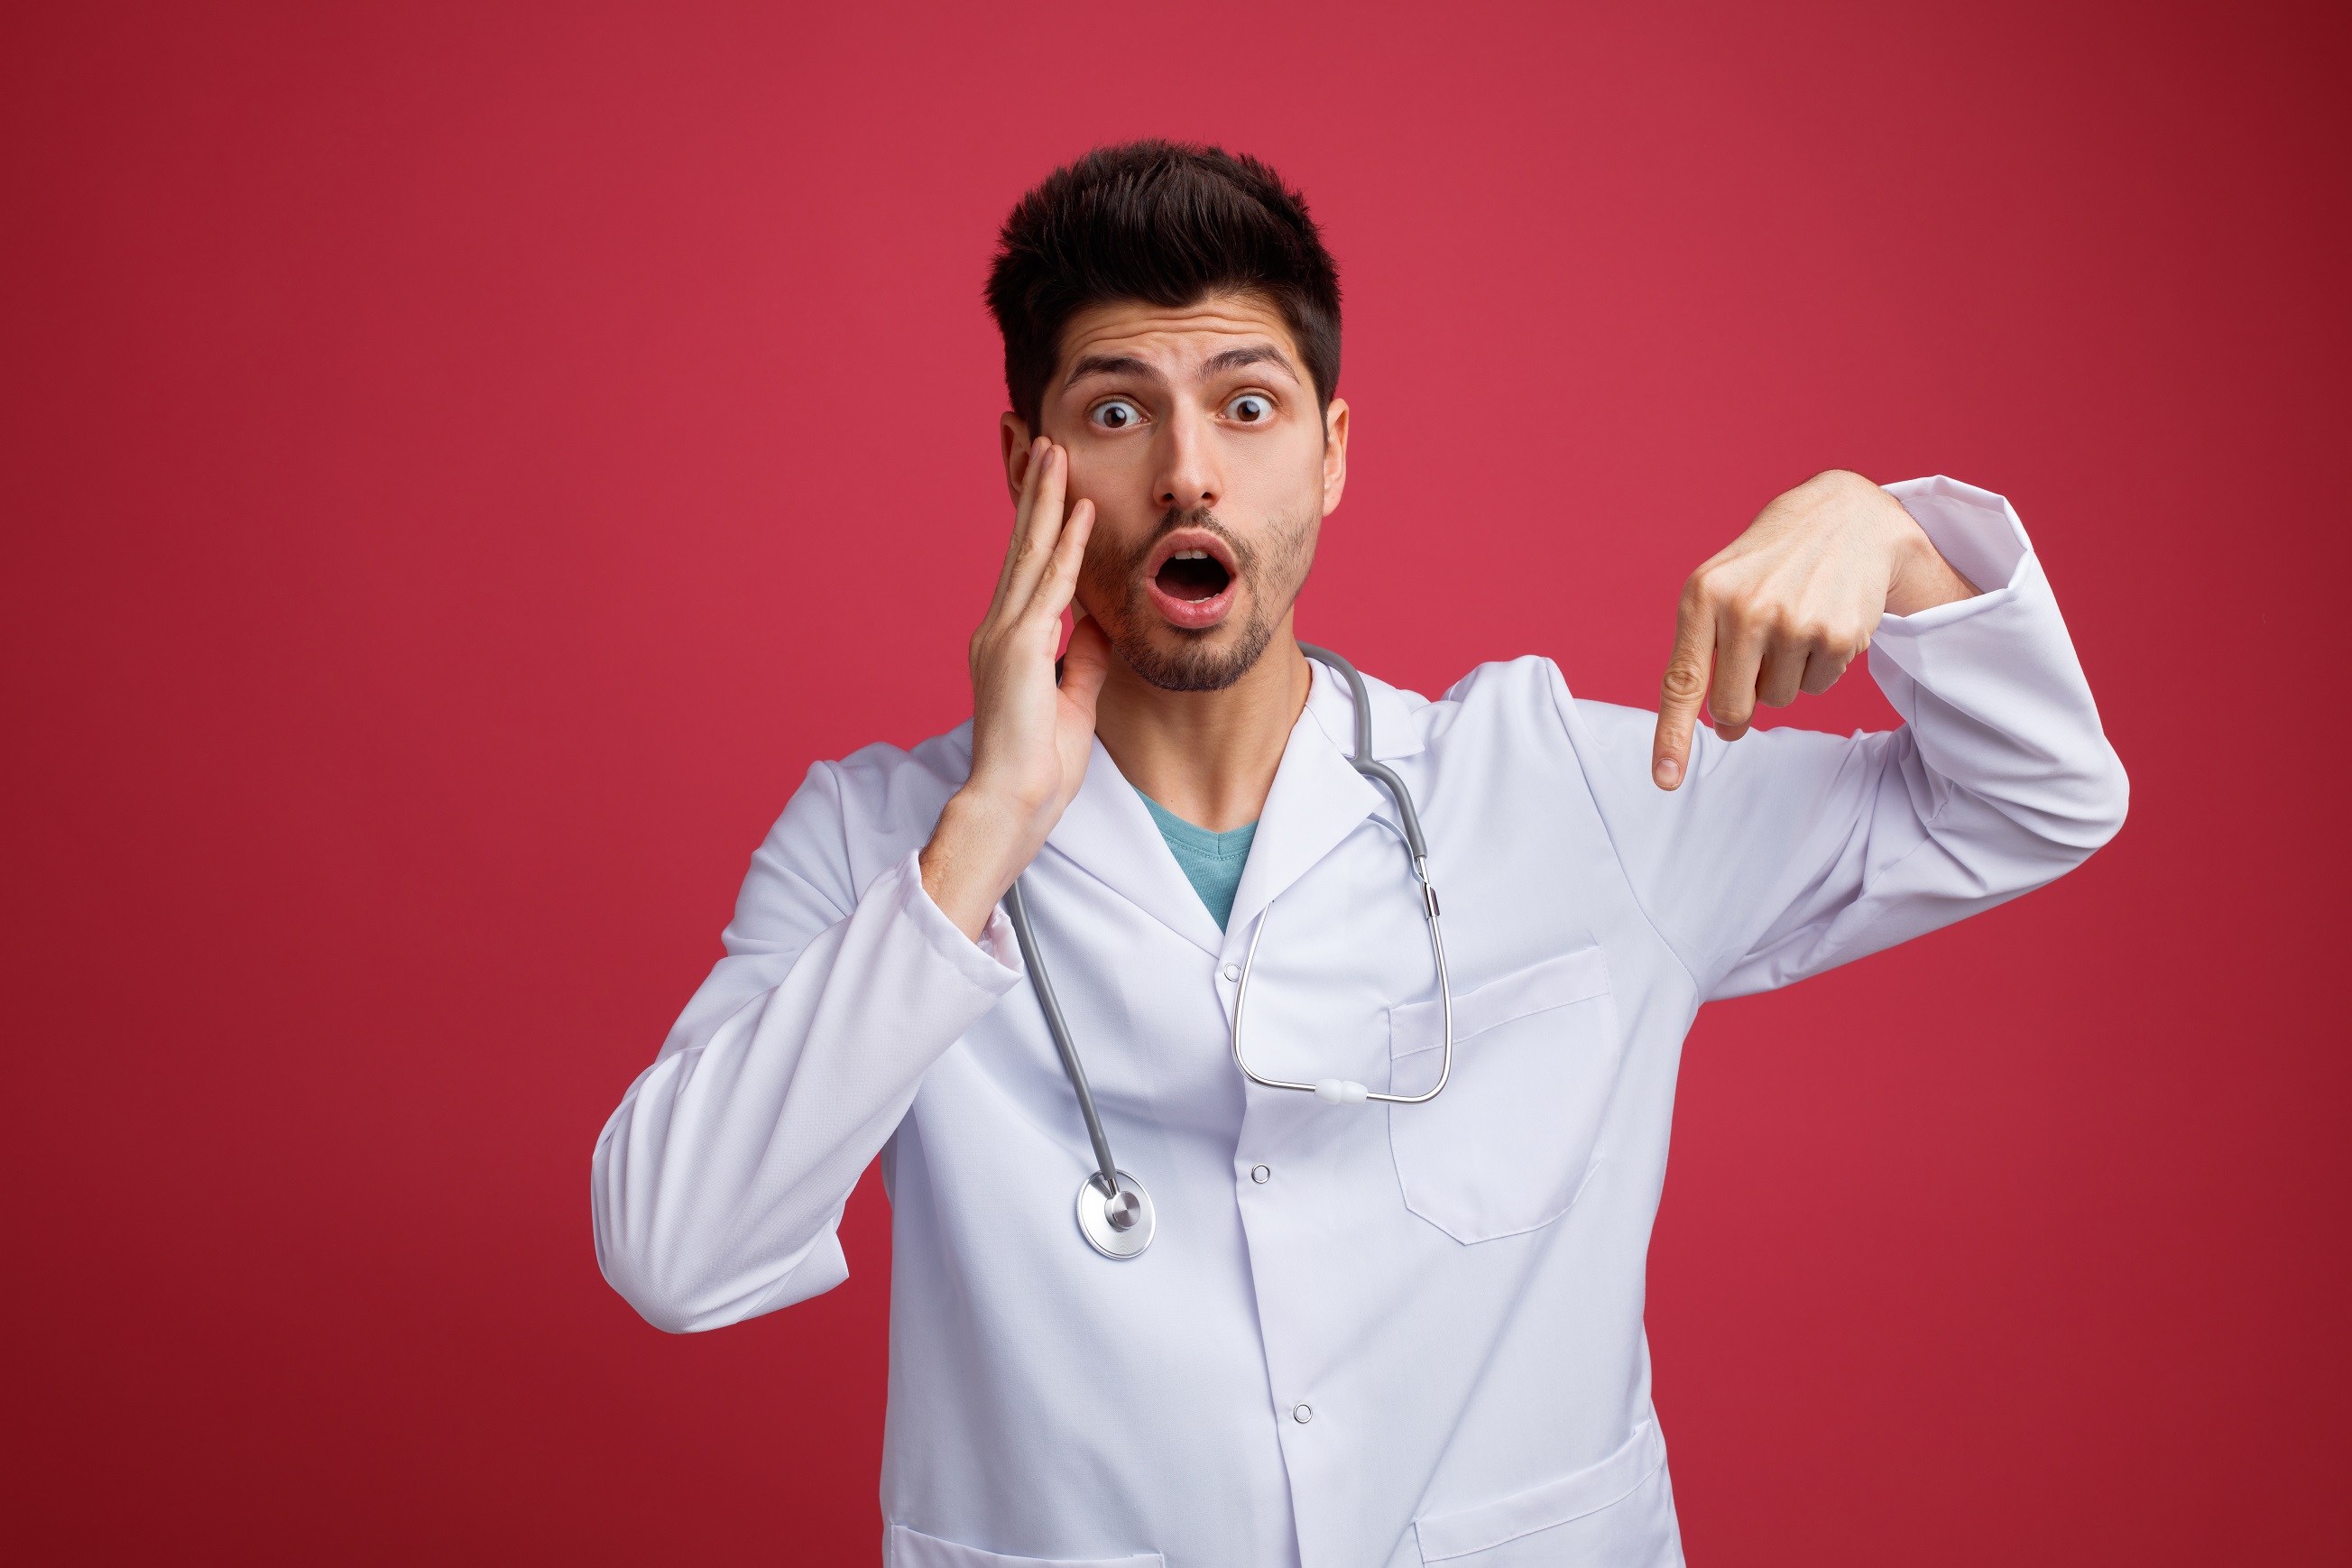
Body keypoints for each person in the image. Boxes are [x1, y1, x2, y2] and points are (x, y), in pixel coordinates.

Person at [591, 142, 2126, 1567]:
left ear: (1330, 455)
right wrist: (984, 831)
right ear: (1027, 465)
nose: (1188, 473)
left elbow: (2036, 798)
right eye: (1117, 411)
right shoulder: (876, 837)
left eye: (1246, 407)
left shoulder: (1568, 787)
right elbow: (675, 1247)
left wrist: (1889, 535)